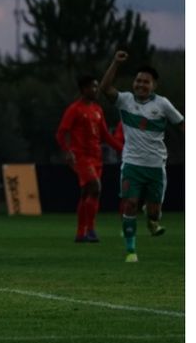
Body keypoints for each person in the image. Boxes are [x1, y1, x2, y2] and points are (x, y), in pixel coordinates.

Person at [100, 50, 184, 262]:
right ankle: (131, 251)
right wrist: (115, 63)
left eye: (146, 82)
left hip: (156, 166)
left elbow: (182, 124)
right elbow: (105, 88)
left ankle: (152, 218)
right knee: (130, 204)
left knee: (154, 212)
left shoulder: (163, 104)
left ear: (154, 85)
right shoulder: (125, 100)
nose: (140, 85)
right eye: (138, 81)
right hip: (132, 164)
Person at [56, 75, 123, 243]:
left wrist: (124, 150)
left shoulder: (97, 109)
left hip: (96, 157)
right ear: (83, 89)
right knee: (96, 187)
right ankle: (91, 230)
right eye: (92, 87)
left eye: (97, 86)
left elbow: (105, 135)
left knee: (87, 193)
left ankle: (81, 233)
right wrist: (67, 151)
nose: (96, 90)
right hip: (81, 157)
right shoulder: (75, 109)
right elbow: (61, 132)